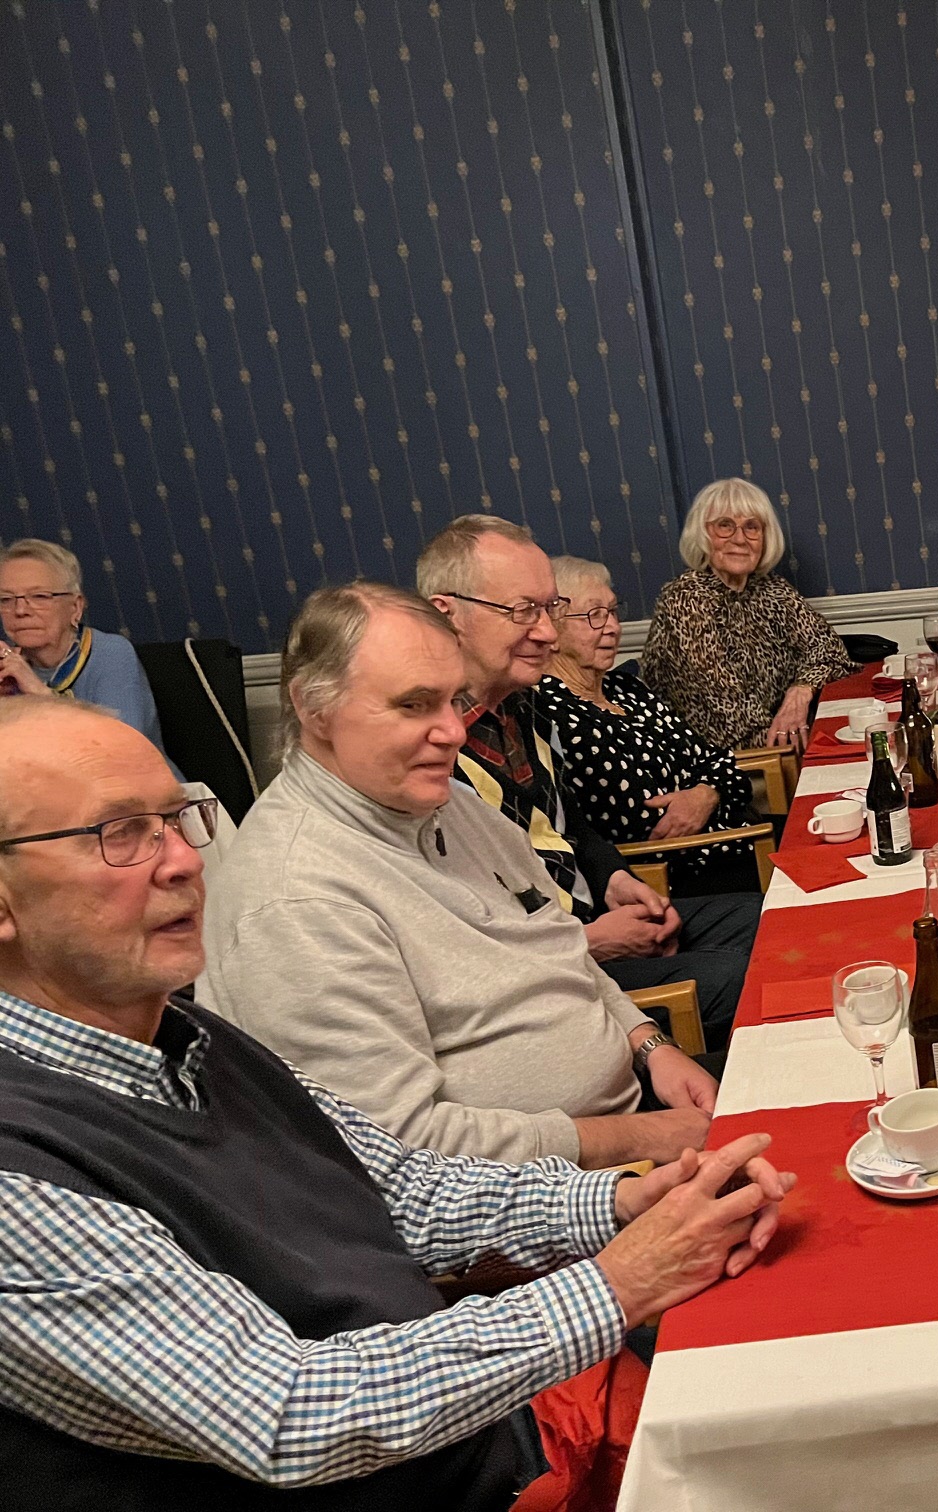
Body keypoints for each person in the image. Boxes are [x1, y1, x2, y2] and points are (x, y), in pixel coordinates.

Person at [0, 695, 793, 1508]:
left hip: (484, 1423)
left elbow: (403, 1190)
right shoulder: (20, 1166)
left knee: (798, 1319)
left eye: (176, 821)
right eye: (121, 833)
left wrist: (620, 1202)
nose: (182, 861)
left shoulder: (190, 1038)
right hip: (444, 1475)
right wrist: (620, 1282)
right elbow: (288, 1413)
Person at [203, 583, 721, 1167]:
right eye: (414, 704)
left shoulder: (454, 804)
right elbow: (398, 1150)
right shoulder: (294, 900)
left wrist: (650, 1045)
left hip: (635, 1109)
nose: (452, 730)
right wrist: (641, 1139)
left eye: (453, 701)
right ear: (312, 708)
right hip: (546, 1190)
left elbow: (559, 950)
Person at [420, 515, 760, 1043]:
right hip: (550, 977)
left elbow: (573, 827)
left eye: (550, 609)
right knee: (744, 977)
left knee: (768, 916)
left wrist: (618, 881)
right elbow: (464, 939)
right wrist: (592, 938)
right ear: (448, 614)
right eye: (523, 611)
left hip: (591, 918)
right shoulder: (428, 752)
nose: (547, 632)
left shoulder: (524, 705)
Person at [537, 555, 759, 891]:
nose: (613, 627)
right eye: (594, 615)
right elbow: (645, 825)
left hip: (738, 840)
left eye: (613, 612)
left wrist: (705, 794)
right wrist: (711, 790)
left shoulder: (627, 689)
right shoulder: (555, 714)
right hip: (684, 875)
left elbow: (722, 764)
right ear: (551, 628)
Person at [640, 478, 855, 752]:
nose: (740, 539)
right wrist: (803, 737)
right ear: (702, 534)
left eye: (751, 527)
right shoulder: (685, 598)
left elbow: (831, 653)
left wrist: (801, 691)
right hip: (714, 759)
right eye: (725, 525)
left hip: (774, 742)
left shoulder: (771, 588)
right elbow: (733, 717)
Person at [0, 538, 169, 755]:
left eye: (40, 596)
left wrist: (39, 693)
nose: (20, 610)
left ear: (75, 607)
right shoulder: (9, 669)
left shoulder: (111, 653)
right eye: (6, 599)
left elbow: (121, 749)